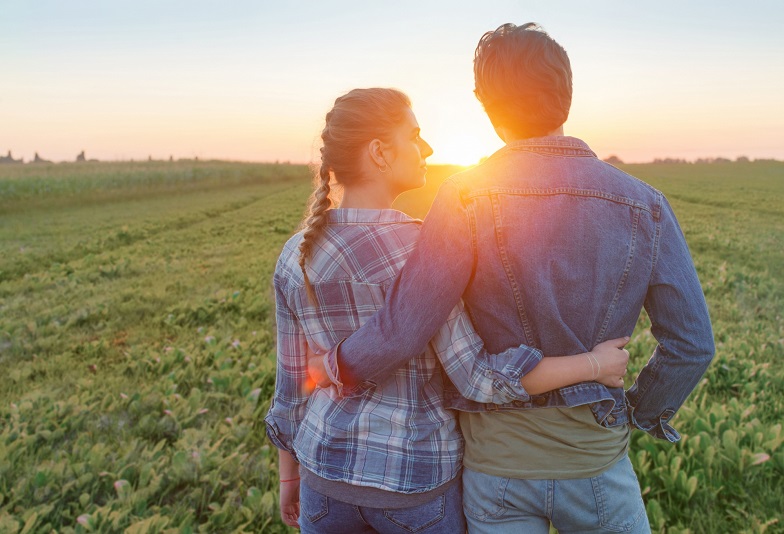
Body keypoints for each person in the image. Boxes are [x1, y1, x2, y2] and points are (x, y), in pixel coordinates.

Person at [311, 24, 715, 533]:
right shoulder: (644, 203)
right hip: (596, 463)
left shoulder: (463, 196)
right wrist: (635, 413)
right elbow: (692, 345)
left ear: (485, 104)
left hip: (495, 471)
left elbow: (405, 326)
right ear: (566, 94)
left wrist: (334, 364)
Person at [265, 87, 632, 533]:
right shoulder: (425, 251)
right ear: (380, 152)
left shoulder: (295, 255)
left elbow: (290, 388)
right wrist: (592, 364)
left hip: (323, 479)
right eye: (414, 135)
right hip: (415, 484)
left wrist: (289, 476)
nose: (428, 148)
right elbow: (477, 377)